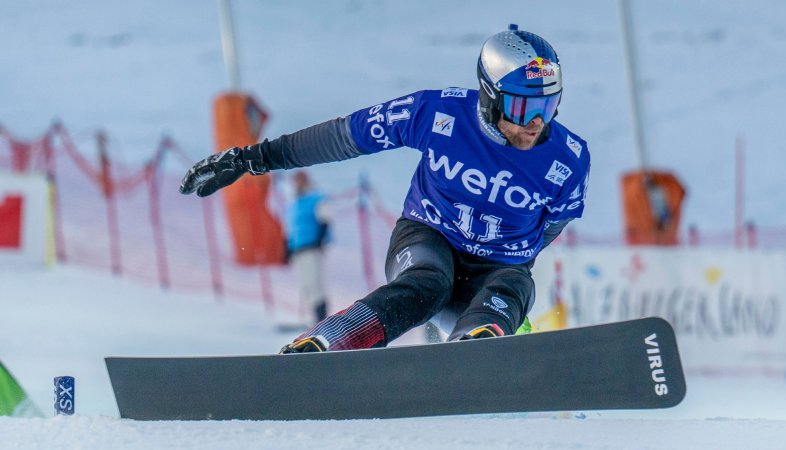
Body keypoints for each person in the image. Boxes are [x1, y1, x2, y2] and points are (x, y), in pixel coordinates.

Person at [180, 25, 590, 354]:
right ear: (490, 97)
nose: (536, 123)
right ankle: (328, 342)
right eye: (524, 108)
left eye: (549, 106)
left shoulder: (569, 159)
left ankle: (479, 343)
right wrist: (252, 158)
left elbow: (550, 229)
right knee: (427, 284)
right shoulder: (435, 113)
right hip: (429, 238)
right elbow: (342, 137)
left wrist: (506, 257)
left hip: (500, 266)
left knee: (512, 286)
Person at [285, 170, 330, 327]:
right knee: (307, 285)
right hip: (299, 248)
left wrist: (320, 239)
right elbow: (292, 228)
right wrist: (288, 248)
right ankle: (315, 319)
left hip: (312, 247)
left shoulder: (316, 199)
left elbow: (325, 219)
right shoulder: (295, 203)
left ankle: (321, 320)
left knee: (315, 283)